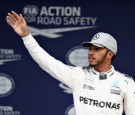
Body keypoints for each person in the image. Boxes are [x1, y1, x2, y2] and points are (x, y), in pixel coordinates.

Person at [6, 11, 135, 115]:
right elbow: (47, 62)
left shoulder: (126, 83)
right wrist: (26, 36)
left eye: (97, 49)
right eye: (90, 48)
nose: (91, 52)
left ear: (110, 54)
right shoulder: (79, 75)